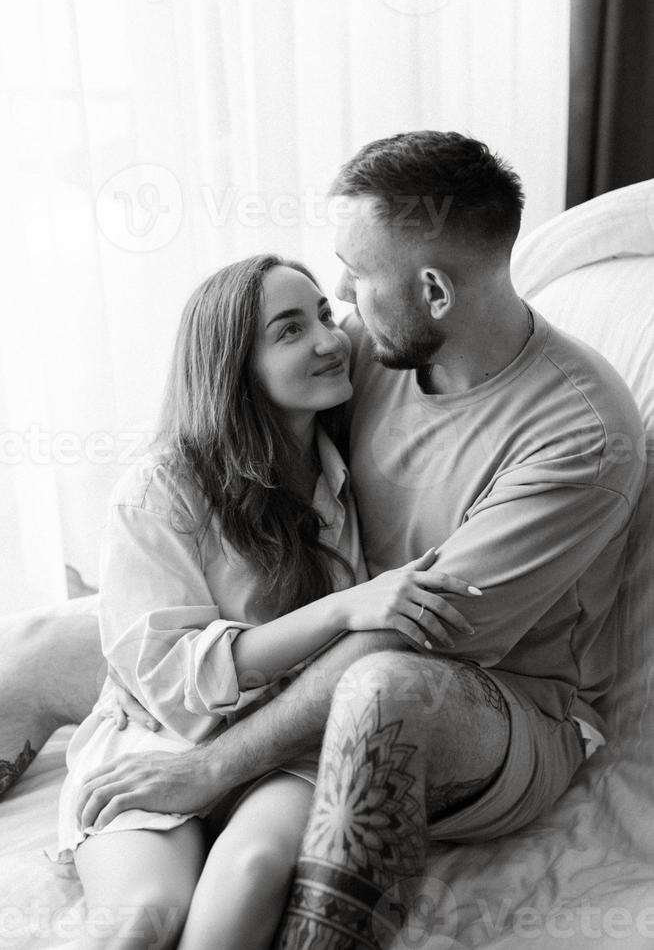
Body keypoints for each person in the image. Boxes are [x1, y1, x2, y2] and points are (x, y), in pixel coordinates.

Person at [72, 132, 646, 949]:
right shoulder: (375, 353)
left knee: (383, 686)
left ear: (435, 292)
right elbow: (250, 438)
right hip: (332, 638)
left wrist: (208, 768)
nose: (338, 301)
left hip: (502, 705)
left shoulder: (578, 434)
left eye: (357, 274)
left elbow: (408, 632)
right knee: (81, 632)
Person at [52, 252, 478, 950]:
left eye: (322, 315)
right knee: (143, 920)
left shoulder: (346, 468)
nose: (328, 339)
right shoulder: (161, 487)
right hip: (161, 732)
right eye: (288, 330)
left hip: (288, 741)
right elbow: (171, 679)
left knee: (250, 870)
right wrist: (345, 608)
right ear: (234, 367)